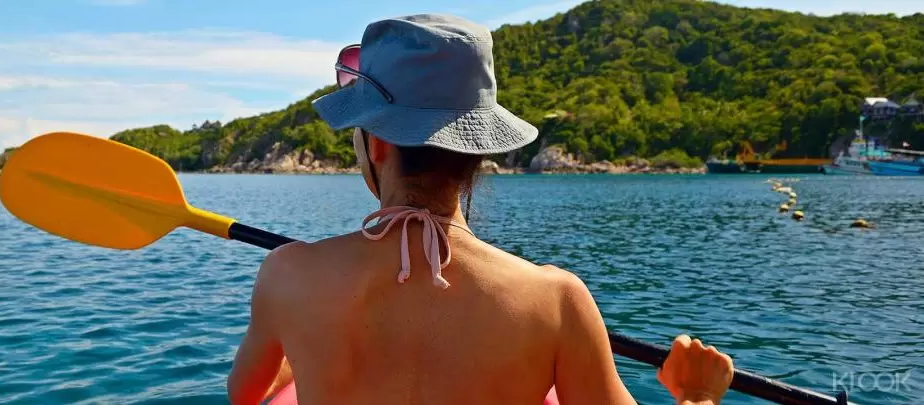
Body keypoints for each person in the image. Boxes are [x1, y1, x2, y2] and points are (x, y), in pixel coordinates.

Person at [227, 14, 734, 405]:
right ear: (479, 150)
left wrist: (302, 343)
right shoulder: (556, 301)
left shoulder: (286, 274)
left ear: (377, 143)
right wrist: (696, 396)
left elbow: (246, 394)